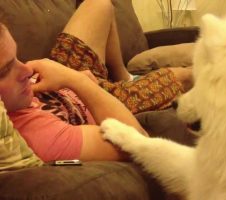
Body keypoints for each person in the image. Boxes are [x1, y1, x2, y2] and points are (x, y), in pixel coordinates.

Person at [0, 0, 192, 163]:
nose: (25, 68)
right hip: (108, 100)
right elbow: (138, 141)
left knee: (99, 3)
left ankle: (124, 75)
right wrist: (76, 80)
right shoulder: (37, 135)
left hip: (61, 72)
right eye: (6, 70)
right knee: (185, 76)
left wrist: (64, 72)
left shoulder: (18, 87)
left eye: (17, 58)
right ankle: (126, 84)